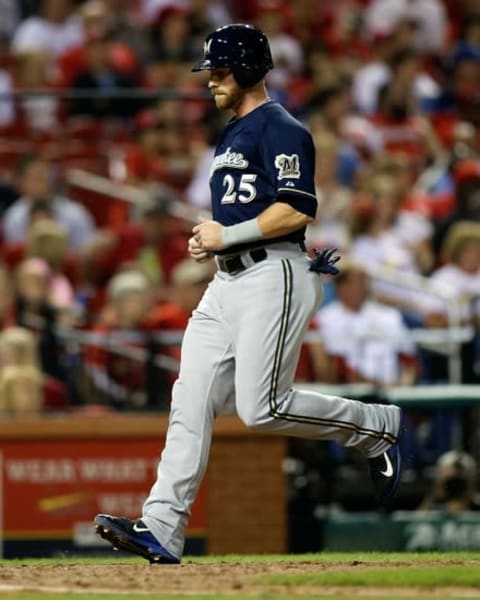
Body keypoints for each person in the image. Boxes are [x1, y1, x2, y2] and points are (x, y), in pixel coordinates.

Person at [94, 23, 403, 564]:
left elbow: (298, 207)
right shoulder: (232, 132)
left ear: (249, 70)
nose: (211, 81)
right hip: (227, 281)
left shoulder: (282, 127)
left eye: (219, 71)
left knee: (262, 409)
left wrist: (227, 234)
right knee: (189, 399)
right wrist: (211, 243)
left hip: (274, 274)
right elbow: (244, 211)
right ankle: (162, 527)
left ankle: (374, 425)